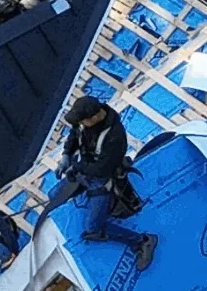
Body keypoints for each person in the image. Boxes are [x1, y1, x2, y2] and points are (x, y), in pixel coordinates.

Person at [56, 95, 157, 270]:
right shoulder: (84, 122)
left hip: (103, 180)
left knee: (93, 228)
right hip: (84, 170)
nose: (81, 124)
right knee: (54, 195)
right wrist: (66, 155)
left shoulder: (115, 137)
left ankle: (142, 241)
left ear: (95, 117)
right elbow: (74, 135)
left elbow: (102, 170)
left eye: (83, 121)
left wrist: (77, 167)